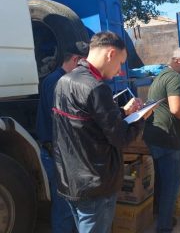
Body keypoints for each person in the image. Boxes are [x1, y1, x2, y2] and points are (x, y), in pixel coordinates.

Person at [52, 31, 144, 233]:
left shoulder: (64, 81)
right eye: (120, 62)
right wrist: (140, 119)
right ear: (110, 54)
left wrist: (121, 111)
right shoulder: (96, 88)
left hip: (70, 179)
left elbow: (87, 124)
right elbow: (121, 137)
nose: (120, 71)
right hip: (95, 184)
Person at [143, 47, 180, 233]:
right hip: (168, 139)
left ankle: (159, 214)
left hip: (155, 136)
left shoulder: (162, 75)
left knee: (162, 179)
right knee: (172, 183)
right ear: (177, 61)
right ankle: (164, 226)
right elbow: (176, 109)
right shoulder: (175, 78)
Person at [36, 41, 88, 233]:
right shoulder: (58, 82)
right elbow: (62, 121)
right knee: (64, 208)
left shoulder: (60, 79)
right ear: (76, 60)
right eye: (84, 64)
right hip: (57, 155)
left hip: (61, 153)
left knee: (69, 206)